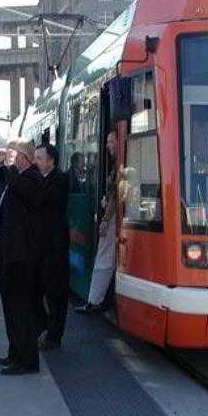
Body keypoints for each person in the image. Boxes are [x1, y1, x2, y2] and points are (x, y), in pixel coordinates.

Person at [0, 140, 42, 375]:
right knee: (10, 309)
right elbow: (3, 177)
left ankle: (27, 360)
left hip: (20, 257)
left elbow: (18, 185)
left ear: (23, 156)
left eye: (13, 153)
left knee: (21, 309)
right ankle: (15, 352)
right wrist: (1, 163)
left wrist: (9, 164)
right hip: (9, 253)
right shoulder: (17, 177)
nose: (9, 157)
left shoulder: (32, 178)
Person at [32, 144, 70, 350]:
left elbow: (42, 201)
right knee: (39, 291)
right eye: (35, 157)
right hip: (40, 247)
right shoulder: (40, 179)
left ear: (51, 160)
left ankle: (54, 336)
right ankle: (44, 328)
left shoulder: (60, 179)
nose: (35, 162)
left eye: (39, 158)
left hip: (55, 248)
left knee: (56, 295)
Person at [76, 131, 118, 314]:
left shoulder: (120, 165)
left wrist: (106, 219)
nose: (107, 146)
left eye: (110, 142)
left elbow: (116, 197)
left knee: (103, 257)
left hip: (113, 217)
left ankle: (94, 300)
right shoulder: (119, 164)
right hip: (113, 213)